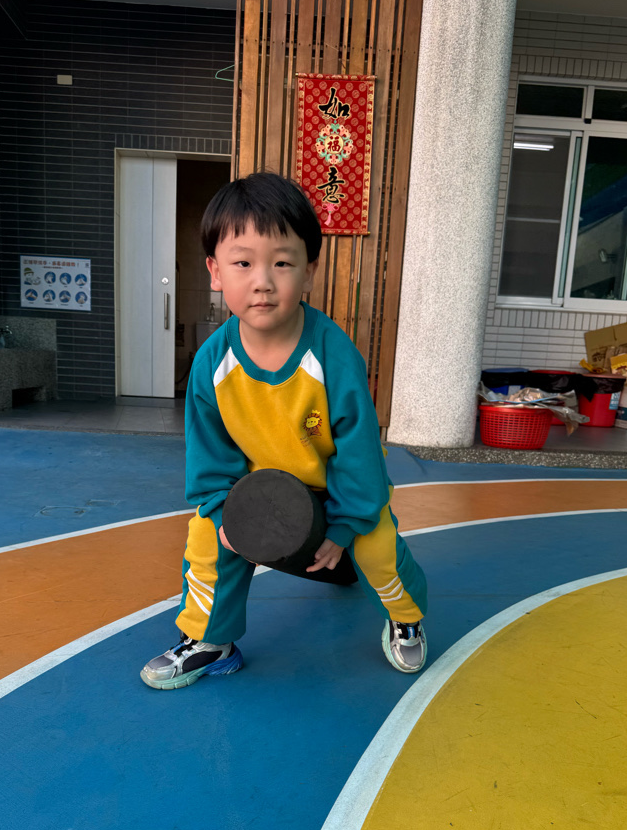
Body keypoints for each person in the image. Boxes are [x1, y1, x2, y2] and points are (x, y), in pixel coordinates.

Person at [141, 172, 428, 690]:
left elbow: (359, 454)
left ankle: (406, 617)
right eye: (243, 263)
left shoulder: (333, 354)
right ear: (215, 271)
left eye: (282, 263)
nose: (263, 281)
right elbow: (211, 457)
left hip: (339, 492)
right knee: (206, 539)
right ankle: (211, 641)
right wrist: (223, 513)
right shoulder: (212, 363)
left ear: (309, 271)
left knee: (376, 549)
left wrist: (345, 526)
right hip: (266, 493)